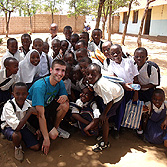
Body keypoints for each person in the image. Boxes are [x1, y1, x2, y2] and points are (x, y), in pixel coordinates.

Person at [27, 59, 69, 155]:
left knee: (65, 105)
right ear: (51, 70)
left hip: (46, 107)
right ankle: (34, 128)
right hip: (34, 112)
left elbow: (65, 96)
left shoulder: (59, 82)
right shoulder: (40, 86)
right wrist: (46, 139)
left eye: (63, 70)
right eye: (57, 70)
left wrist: (64, 96)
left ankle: (55, 127)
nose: (60, 73)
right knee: (53, 136)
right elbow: (40, 115)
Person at [86, 63, 124, 152]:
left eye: (93, 75)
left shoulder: (101, 85)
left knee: (105, 119)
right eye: (88, 74)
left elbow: (110, 101)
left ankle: (105, 142)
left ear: (100, 75)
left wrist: (104, 114)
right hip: (111, 95)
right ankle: (104, 133)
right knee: (103, 117)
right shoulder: (96, 81)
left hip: (116, 98)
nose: (90, 77)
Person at [1, 82, 40, 161]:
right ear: (13, 94)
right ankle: (18, 147)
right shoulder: (9, 106)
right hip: (9, 127)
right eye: (17, 94)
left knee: (36, 147)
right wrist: (29, 112)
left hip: (22, 125)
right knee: (16, 135)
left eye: (23, 94)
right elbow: (17, 128)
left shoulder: (27, 103)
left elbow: (37, 112)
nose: (21, 97)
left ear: (27, 94)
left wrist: (37, 129)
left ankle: (22, 138)